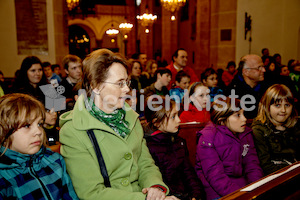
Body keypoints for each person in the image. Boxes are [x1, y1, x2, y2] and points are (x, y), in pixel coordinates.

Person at [59, 49, 178, 200]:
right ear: (96, 85)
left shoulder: (130, 117)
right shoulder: (73, 131)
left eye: (126, 82)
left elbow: (145, 164)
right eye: (120, 83)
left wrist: (154, 187)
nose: (127, 89)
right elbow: (92, 193)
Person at [0, 93, 78, 199]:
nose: (38, 131)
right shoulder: (3, 176)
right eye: (27, 125)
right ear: (4, 131)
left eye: (39, 124)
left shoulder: (54, 161)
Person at [195, 97, 264, 200]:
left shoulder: (245, 133)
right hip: (218, 192)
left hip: (244, 187)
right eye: (238, 115)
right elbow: (216, 177)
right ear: (222, 121)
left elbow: (252, 165)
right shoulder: (207, 138)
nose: (244, 119)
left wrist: (258, 188)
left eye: (243, 113)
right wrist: (241, 195)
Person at [144, 96, 203, 200]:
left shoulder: (178, 142)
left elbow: (189, 175)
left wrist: (195, 196)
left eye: (178, 115)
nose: (179, 120)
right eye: (173, 116)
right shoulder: (148, 147)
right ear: (157, 122)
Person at [252, 84, 300, 175]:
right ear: (267, 106)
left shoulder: (295, 126)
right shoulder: (259, 130)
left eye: (287, 105)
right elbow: (266, 165)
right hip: (278, 178)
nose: (283, 110)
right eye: (277, 105)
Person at [226, 54, 267, 119]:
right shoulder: (233, 92)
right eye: (259, 68)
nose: (264, 70)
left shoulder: (266, 87)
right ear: (246, 72)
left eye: (263, 67)